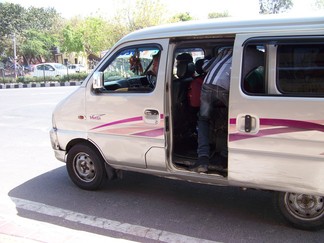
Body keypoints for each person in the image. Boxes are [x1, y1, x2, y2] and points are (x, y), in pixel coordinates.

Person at [190, 48, 233, 173]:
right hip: (228, 86)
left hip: (208, 85)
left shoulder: (224, 52)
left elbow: (205, 67)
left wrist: (208, 60)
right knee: (233, 121)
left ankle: (203, 159)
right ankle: (225, 156)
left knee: (203, 119)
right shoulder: (254, 53)